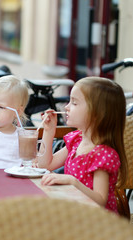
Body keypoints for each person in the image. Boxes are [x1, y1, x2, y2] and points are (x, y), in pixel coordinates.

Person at [37, 77, 127, 213]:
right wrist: (49, 132)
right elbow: (45, 165)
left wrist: (73, 182)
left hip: (97, 222)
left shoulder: (103, 154)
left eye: (74, 103)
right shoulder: (76, 140)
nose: (66, 107)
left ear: (97, 113)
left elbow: (100, 200)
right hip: (76, 213)